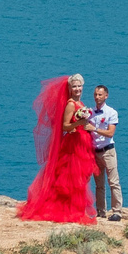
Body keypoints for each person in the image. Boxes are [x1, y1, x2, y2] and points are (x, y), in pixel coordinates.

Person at [17, 72, 97, 223]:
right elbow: (65, 126)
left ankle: (77, 209)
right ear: (70, 88)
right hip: (73, 146)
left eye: (79, 86)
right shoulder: (71, 104)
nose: (78, 88)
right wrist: (78, 124)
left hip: (82, 142)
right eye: (74, 86)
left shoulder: (80, 103)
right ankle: (69, 210)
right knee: (71, 179)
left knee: (81, 178)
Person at [87, 83, 123, 219]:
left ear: (106, 96)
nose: (97, 97)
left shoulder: (111, 113)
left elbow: (110, 133)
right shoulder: (90, 112)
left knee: (113, 181)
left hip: (108, 151)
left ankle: (117, 211)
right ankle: (101, 212)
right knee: (99, 184)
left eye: (100, 95)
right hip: (95, 152)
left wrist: (94, 129)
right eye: (95, 94)